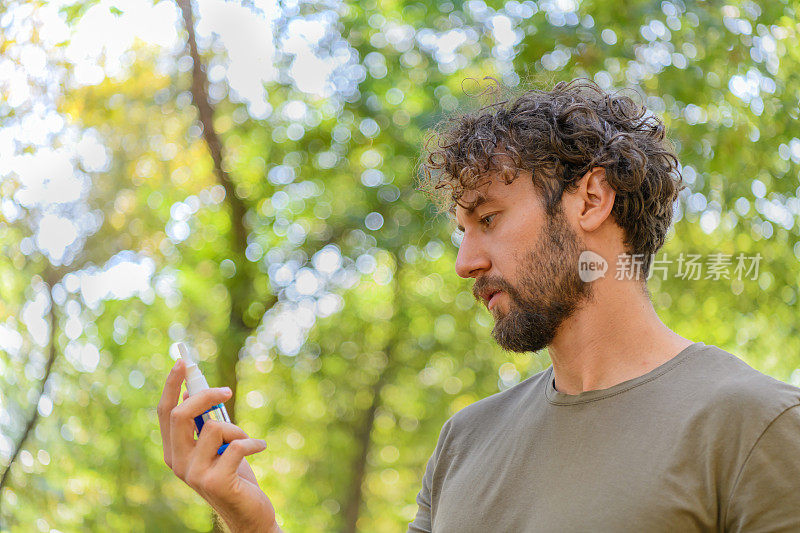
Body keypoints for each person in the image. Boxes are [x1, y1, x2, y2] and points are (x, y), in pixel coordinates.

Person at [158, 79, 800, 532]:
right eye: (461, 231)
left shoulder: (754, 426)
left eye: (488, 218)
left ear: (590, 199)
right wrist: (252, 523)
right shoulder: (466, 441)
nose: (466, 261)